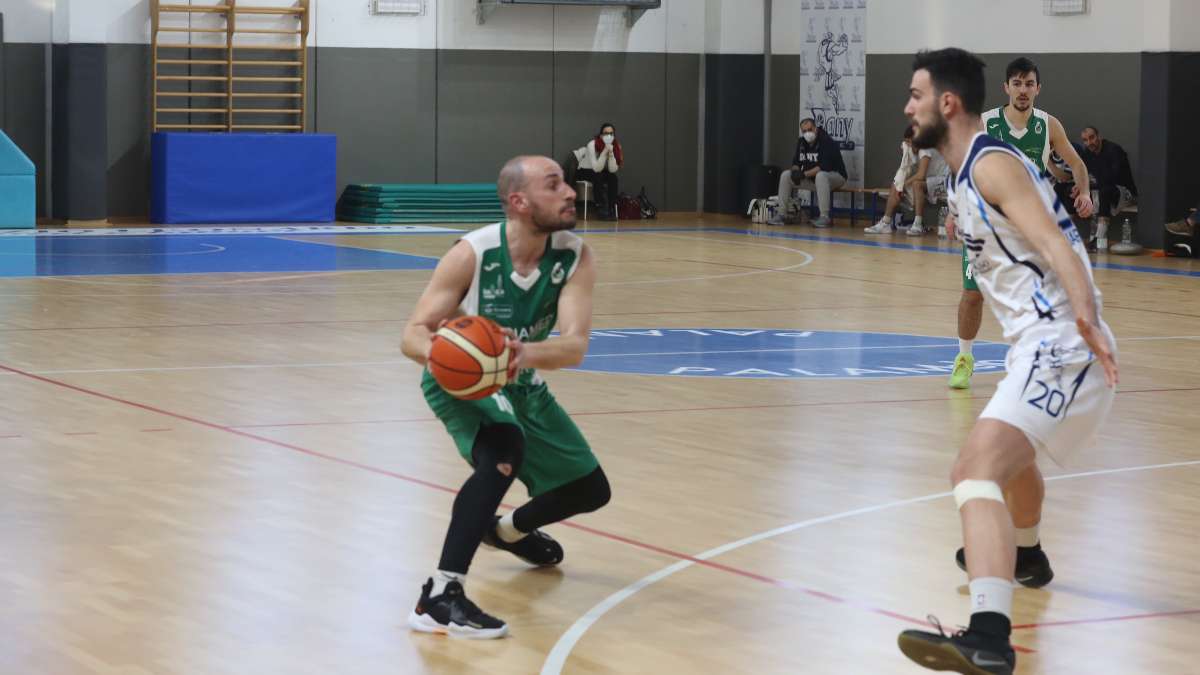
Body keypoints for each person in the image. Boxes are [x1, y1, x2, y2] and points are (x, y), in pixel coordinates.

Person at [896, 48, 1118, 674]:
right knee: (1012, 462)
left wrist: (1087, 320)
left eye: (915, 95)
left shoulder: (991, 164)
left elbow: (1056, 242)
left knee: (973, 471)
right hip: (1035, 345)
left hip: (1062, 344)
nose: (907, 106)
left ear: (947, 103)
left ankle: (989, 637)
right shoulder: (964, 174)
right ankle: (1026, 554)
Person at [401, 155, 611, 639]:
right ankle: (440, 596)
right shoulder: (472, 253)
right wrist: (451, 355)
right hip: (462, 384)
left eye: (565, 184)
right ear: (519, 201)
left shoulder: (575, 256)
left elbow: (575, 346)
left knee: (590, 490)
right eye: (553, 185)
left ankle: (504, 531)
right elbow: (412, 334)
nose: (570, 192)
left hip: (522, 380)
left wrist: (522, 355)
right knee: (504, 450)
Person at [948, 56, 1093, 390]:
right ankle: (964, 358)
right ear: (1006, 87)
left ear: (1038, 88)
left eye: (1029, 84)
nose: (1023, 90)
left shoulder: (1048, 125)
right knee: (972, 294)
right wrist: (953, 212)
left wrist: (1084, 192)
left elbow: (1077, 164)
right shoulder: (985, 123)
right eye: (1017, 83)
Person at [865, 125, 950, 235]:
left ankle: (918, 225)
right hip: (931, 181)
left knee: (917, 184)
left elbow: (921, 175)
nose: (908, 145)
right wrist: (899, 184)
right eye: (906, 141)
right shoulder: (910, 149)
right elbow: (903, 170)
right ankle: (885, 223)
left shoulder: (925, 149)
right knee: (896, 184)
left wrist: (904, 185)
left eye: (910, 141)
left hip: (946, 181)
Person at [770, 118, 847, 228]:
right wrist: (795, 171)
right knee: (786, 175)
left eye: (809, 129)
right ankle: (781, 214)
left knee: (821, 176)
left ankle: (824, 217)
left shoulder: (826, 141)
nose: (807, 133)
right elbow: (796, 162)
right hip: (813, 179)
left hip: (836, 176)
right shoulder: (801, 142)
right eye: (804, 131)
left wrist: (803, 174)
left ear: (815, 129)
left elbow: (822, 167)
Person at [1078, 126, 1138, 250]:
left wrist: (1090, 184)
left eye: (1092, 138)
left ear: (1098, 136)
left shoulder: (1114, 150)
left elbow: (1112, 178)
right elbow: (1085, 176)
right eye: (1085, 140)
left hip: (1124, 192)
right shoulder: (1087, 153)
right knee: (1083, 193)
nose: (1089, 142)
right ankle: (1093, 239)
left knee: (1103, 191)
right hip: (1102, 191)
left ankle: (1098, 238)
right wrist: (1079, 187)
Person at [573, 123, 622, 221]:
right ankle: (600, 207)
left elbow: (612, 169)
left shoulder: (616, 146)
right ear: (601, 135)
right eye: (606, 133)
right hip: (584, 170)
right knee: (598, 176)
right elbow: (596, 168)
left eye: (611, 133)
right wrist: (604, 152)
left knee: (613, 177)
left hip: (599, 170)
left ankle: (611, 208)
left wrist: (611, 154)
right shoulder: (592, 144)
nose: (609, 136)